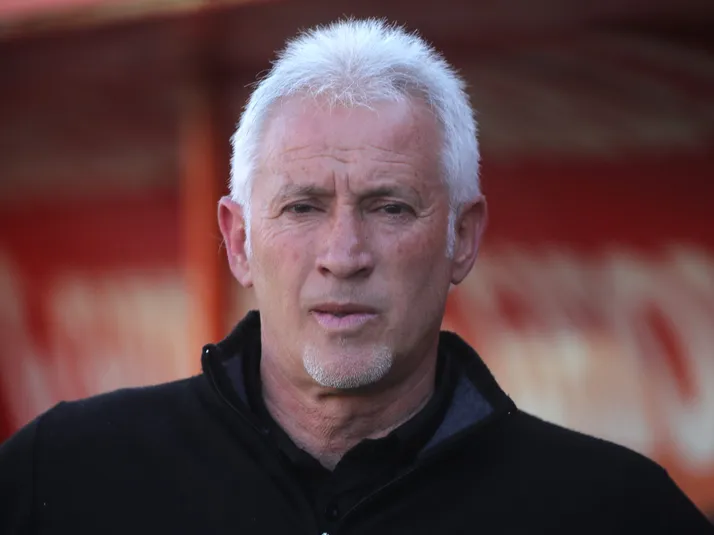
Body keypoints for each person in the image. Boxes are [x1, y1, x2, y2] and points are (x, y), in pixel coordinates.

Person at [1, 18, 712, 535]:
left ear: (463, 238)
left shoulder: (616, 512)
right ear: (239, 240)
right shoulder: (62, 475)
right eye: (303, 206)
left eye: (390, 206)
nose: (344, 254)